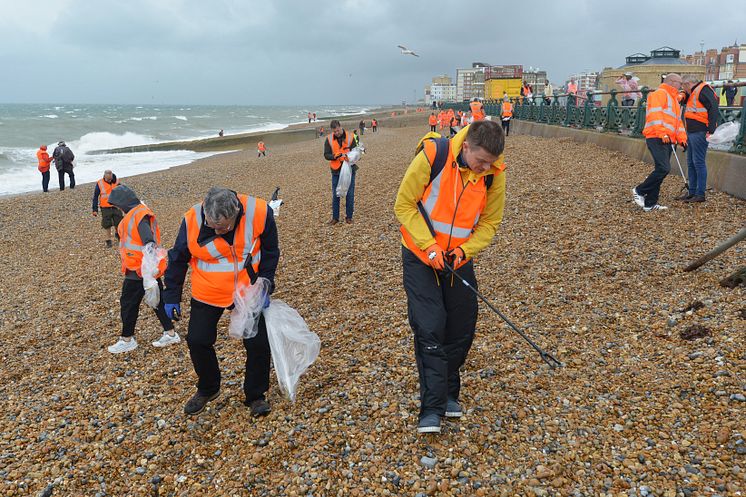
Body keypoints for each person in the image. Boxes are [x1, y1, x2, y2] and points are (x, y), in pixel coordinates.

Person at [394, 121, 506, 434]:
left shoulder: (494, 174)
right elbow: (403, 204)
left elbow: (489, 224)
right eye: (481, 161)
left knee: (461, 327)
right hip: (420, 254)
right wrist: (429, 247)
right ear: (466, 145)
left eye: (490, 163)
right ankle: (431, 408)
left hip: (456, 258)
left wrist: (463, 251)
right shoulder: (433, 155)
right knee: (429, 326)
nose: (485, 167)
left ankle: (448, 394)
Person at [162, 187, 279, 416]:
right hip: (208, 291)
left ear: (237, 213)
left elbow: (270, 250)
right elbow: (177, 259)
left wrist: (266, 282)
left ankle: (256, 395)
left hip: (247, 289)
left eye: (224, 226)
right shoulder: (192, 219)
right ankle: (208, 387)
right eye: (213, 226)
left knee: (257, 344)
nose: (218, 231)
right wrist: (171, 295)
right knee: (197, 340)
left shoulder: (259, 212)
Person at [106, 185, 180, 354]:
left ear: (123, 203)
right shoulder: (138, 213)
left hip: (139, 270)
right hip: (145, 269)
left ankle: (127, 339)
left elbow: (148, 241)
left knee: (128, 304)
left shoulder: (138, 216)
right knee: (157, 300)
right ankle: (170, 333)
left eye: (117, 205)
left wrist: (148, 268)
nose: (117, 208)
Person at [632, 73, 687, 212]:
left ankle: (650, 203)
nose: (681, 86)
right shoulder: (659, 94)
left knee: (661, 169)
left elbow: (677, 122)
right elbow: (654, 115)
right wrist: (662, 132)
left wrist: (682, 138)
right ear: (672, 82)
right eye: (680, 83)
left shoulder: (673, 98)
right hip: (657, 136)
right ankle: (639, 190)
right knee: (664, 168)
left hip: (668, 139)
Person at [678, 75, 719, 203]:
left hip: (700, 131)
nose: (683, 89)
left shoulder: (703, 90)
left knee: (698, 162)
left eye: (683, 86)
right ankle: (692, 192)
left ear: (688, 84)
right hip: (692, 131)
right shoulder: (694, 91)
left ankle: (700, 194)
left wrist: (711, 130)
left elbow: (713, 108)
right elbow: (686, 102)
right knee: (691, 162)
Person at [323, 120, 357, 225]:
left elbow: (356, 152)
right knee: (336, 194)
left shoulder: (351, 137)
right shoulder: (328, 139)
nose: (337, 133)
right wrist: (334, 156)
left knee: (350, 194)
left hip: (349, 169)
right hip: (336, 171)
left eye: (338, 130)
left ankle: (349, 217)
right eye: (335, 131)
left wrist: (350, 157)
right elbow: (326, 155)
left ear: (340, 127)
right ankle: (335, 218)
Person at [92, 170, 122, 247]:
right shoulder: (100, 183)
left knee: (118, 222)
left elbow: (122, 192)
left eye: (111, 179)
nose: (110, 180)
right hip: (105, 207)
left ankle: (118, 234)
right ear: (104, 176)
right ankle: (108, 240)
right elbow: (95, 197)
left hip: (116, 206)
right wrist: (95, 210)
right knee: (107, 224)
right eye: (108, 179)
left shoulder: (116, 181)